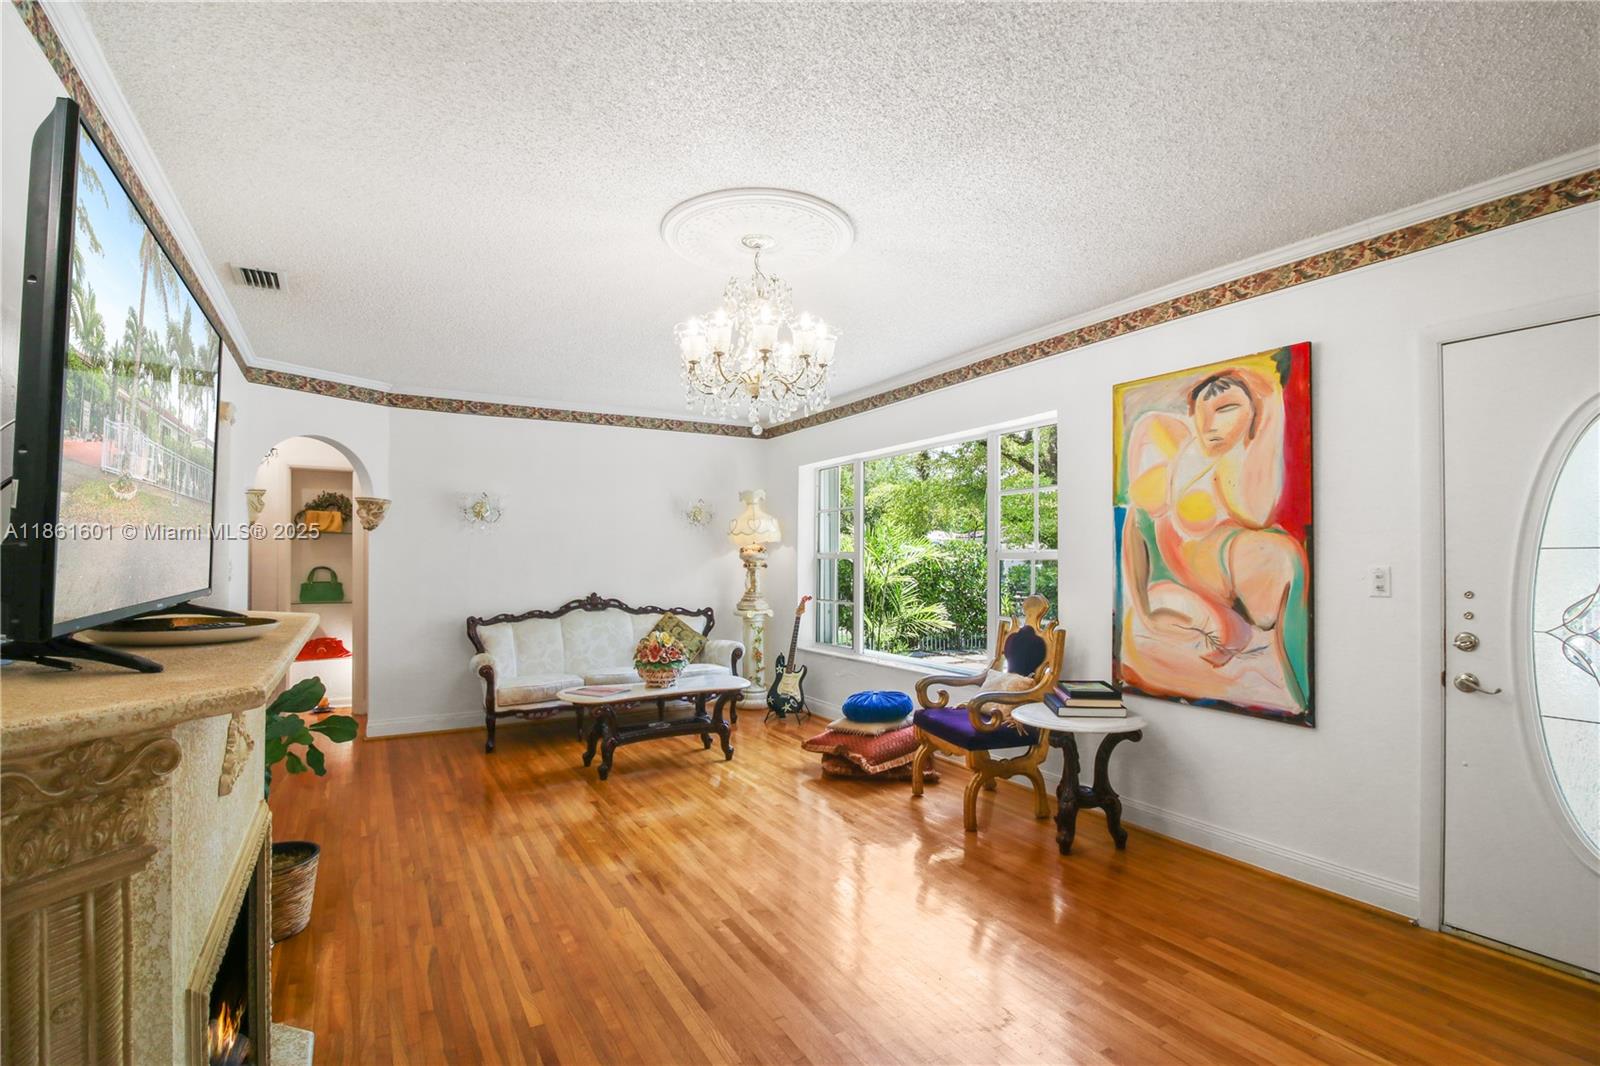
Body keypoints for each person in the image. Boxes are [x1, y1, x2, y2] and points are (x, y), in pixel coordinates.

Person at [1118, 367, 1309, 715]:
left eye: (1226, 409)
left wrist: (1265, 419)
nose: (1210, 423)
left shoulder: (1243, 468)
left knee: (1284, 556)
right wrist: (1144, 611)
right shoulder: (1163, 436)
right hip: (1178, 583)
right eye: (1202, 412)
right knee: (1222, 630)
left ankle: (1300, 695)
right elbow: (1133, 525)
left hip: (1228, 580)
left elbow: (1257, 514)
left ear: (1255, 414)